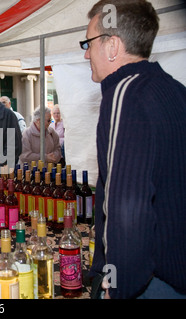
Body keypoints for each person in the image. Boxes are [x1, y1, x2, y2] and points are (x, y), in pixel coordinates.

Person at [84, 0, 186, 299]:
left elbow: (125, 207)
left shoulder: (124, 94)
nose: (87, 53)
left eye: (88, 43)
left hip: (147, 282)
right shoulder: (175, 91)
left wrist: (116, 284)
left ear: (112, 45)